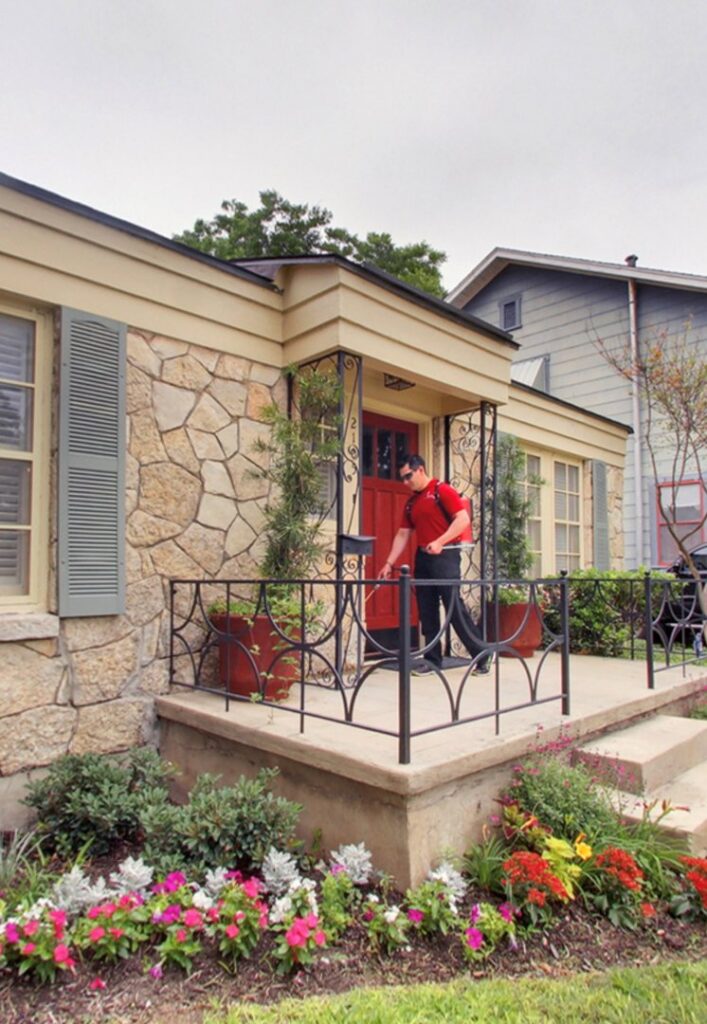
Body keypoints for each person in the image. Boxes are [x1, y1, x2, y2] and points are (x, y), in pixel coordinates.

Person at [378, 454, 490, 674]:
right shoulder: (412, 503)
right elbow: (402, 534)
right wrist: (388, 563)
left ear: (420, 470)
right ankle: (432, 660)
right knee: (427, 610)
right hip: (423, 558)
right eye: (402, 478)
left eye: (408, 476)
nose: (405, 482)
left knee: (453, 608)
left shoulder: (442, 490)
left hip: (446, 556)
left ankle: (482, 655)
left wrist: (440, 541)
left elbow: (463, 519)